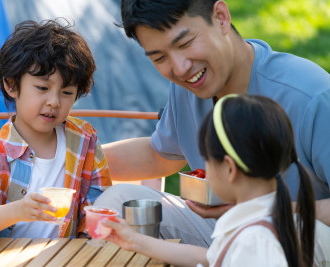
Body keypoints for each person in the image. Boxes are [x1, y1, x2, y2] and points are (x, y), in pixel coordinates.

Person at [95, 0, 330, 246]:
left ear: (221, 17)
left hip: (301, 240)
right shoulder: (187, 88)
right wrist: (76, 155)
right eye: (159, 57)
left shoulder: (311, 97)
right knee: (117, 202)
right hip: (226, 232)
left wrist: (258, 210)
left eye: (185, 43)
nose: (181, 68)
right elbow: (159, 155)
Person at [103, 95, 330, 266]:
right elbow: (212, 258)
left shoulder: (256, 241)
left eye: (207, 161)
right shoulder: (265, 219)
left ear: (229, 169)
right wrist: (134, 241)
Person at [0, 19, 112, 240]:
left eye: (67, 92)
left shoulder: (85, 141)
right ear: (11, 85)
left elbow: (97, 207)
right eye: (42, 88)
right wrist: (18, 210)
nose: (54, 102)